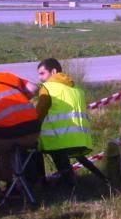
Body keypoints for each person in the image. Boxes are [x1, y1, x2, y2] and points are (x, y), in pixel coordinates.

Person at [35, 58, 93, 187]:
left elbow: (39, 114)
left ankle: (39, 183)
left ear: (54, 71)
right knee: (59, 153)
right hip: (79, 139)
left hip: (58, 139)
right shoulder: (75, 90)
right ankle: (70, 181)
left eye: (42, 73)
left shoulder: (48, 87)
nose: (40, 78)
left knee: (32, 147)